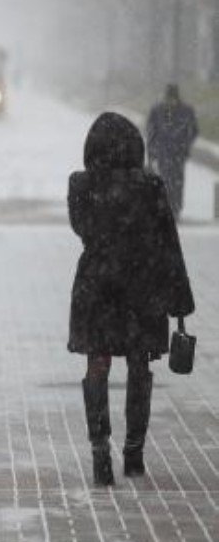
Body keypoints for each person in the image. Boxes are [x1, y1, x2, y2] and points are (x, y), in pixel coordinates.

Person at [68, 112, 194, 486]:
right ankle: (134, 453)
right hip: (144, 288)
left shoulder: (81, 184)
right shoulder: (151, 187)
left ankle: (99, 451)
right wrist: (180, 300)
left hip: (97, 286)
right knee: (140, 368)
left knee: (98, 366)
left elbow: (82, 228)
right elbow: (169, 243)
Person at [145, 83, 198, 218]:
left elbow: (151, 132)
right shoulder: (185, 111)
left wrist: (152, 151)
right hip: (172, 152)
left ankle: (172, 208)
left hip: (169, 152)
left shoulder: (158, 110)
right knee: (173, 180)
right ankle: (172, 208)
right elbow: (193, 131)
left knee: (171, 180)